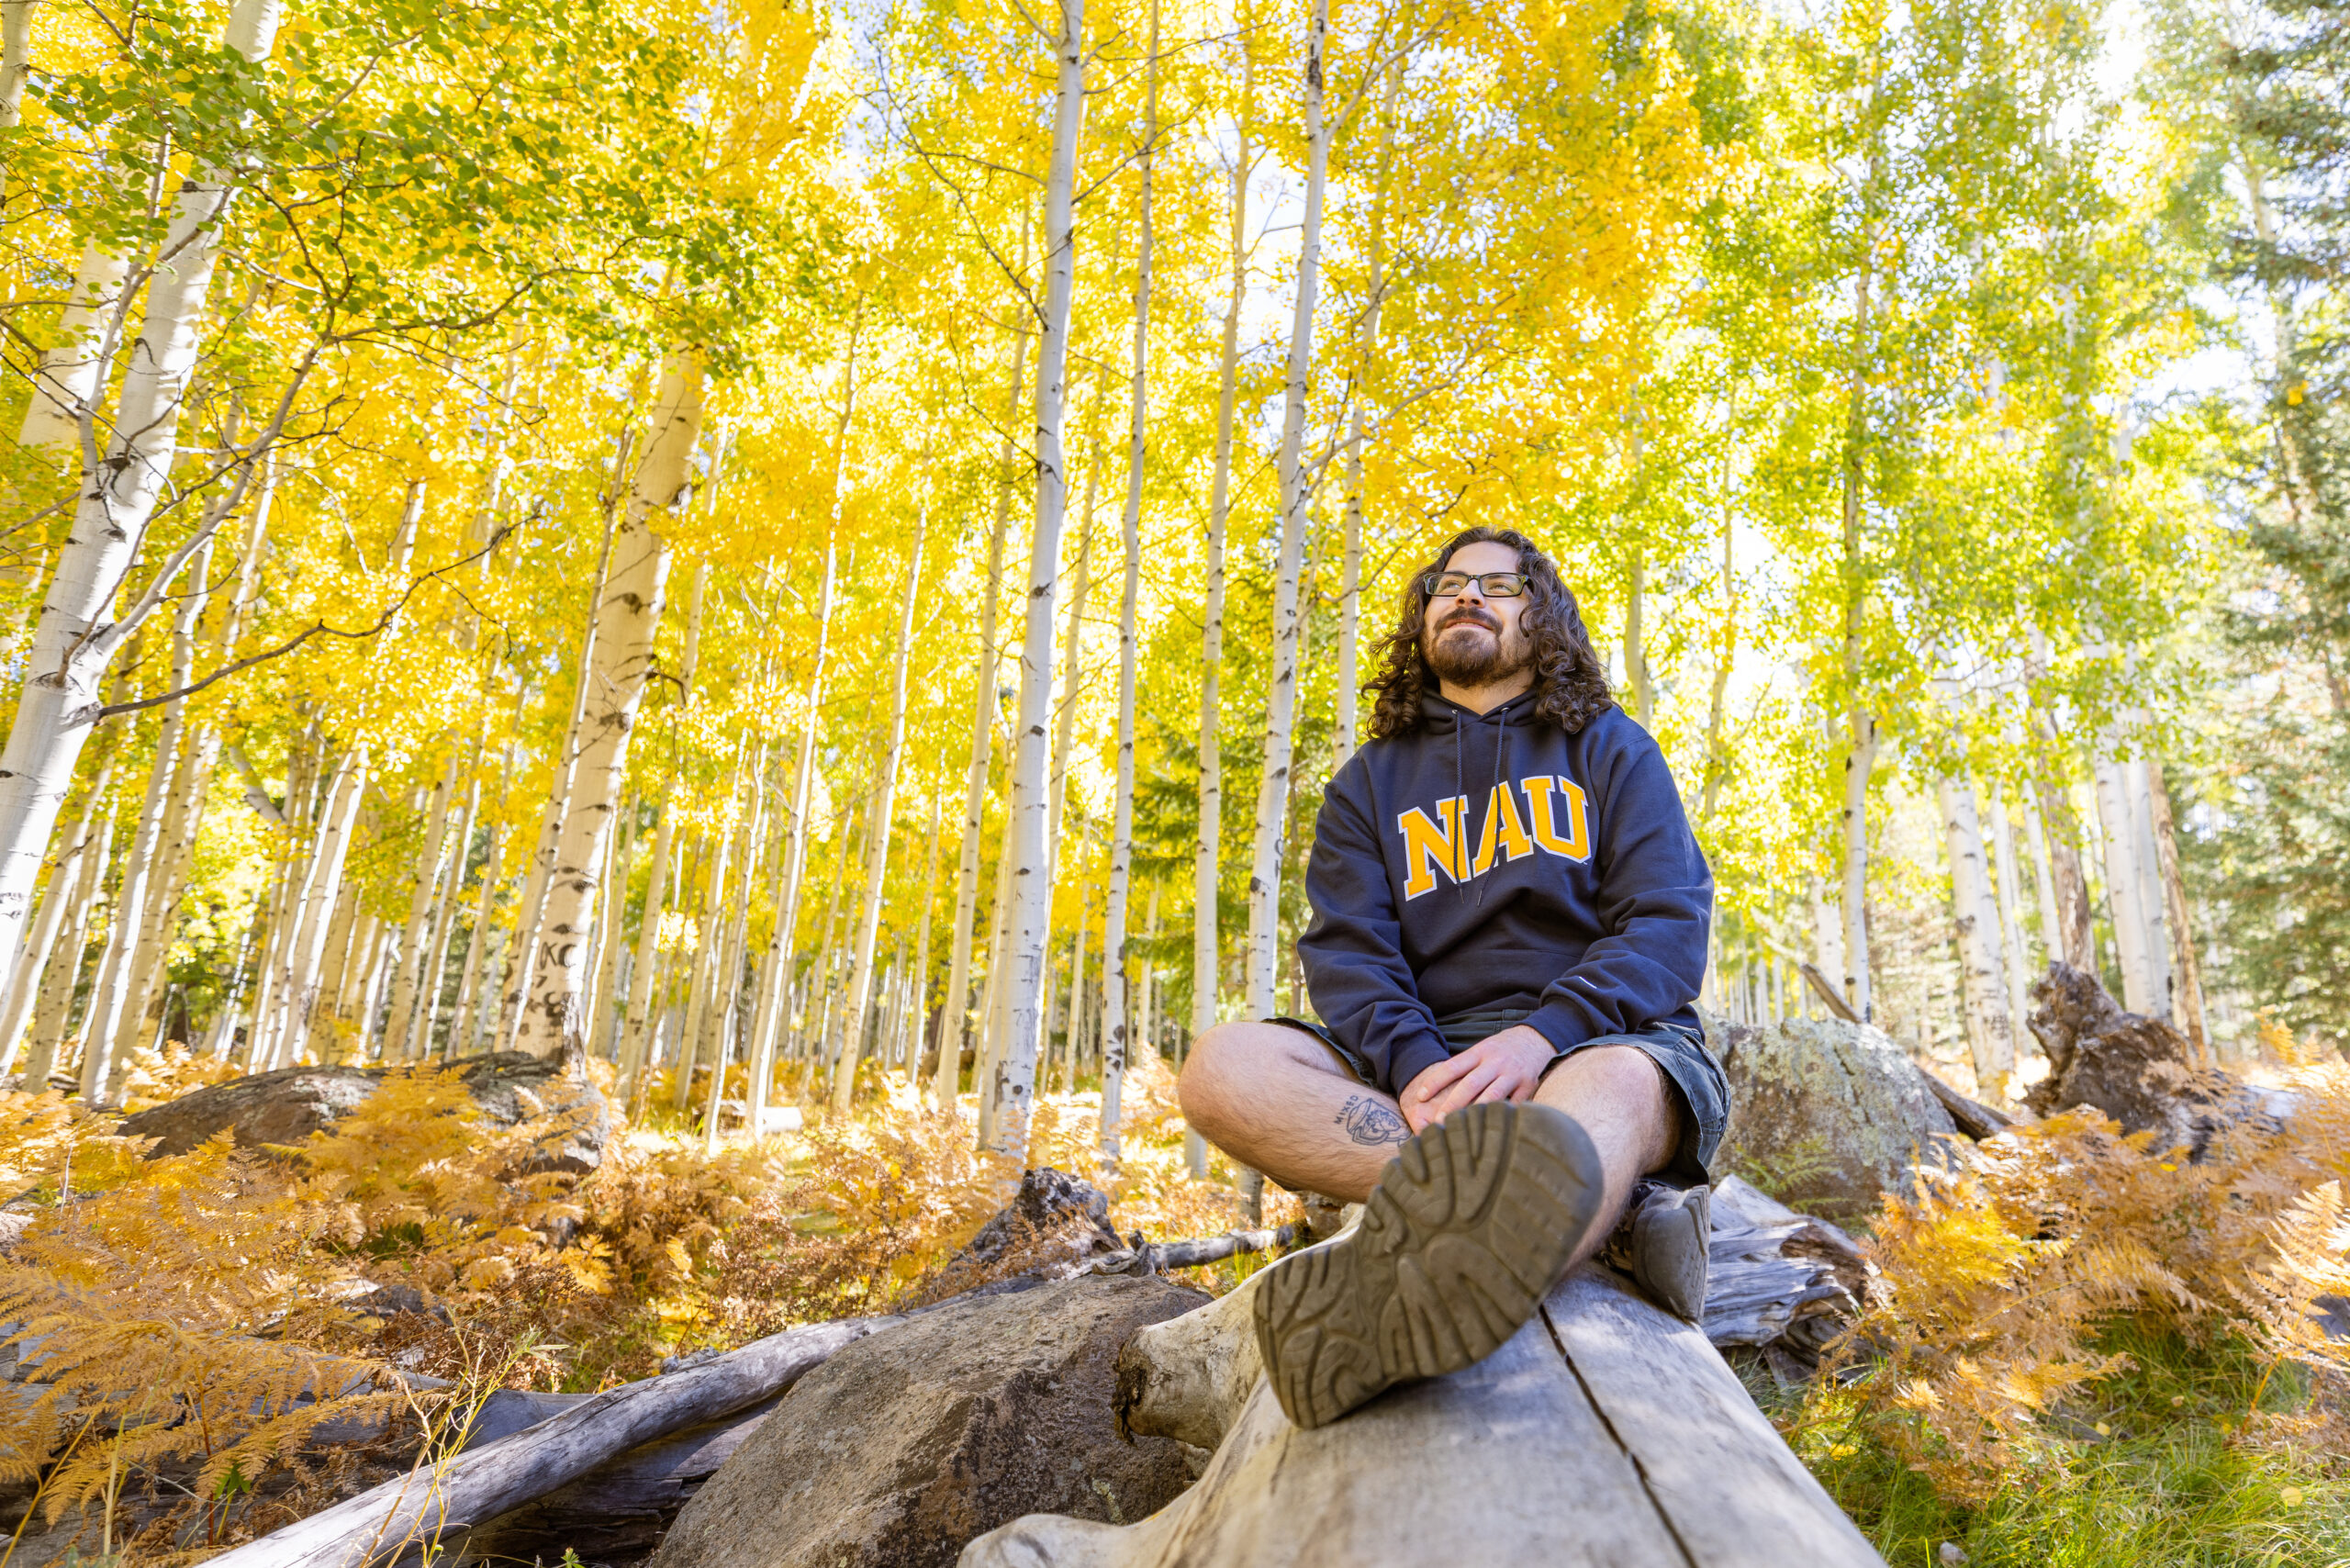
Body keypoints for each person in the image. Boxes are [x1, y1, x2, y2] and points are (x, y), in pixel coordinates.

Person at [1178, 525, 1726, 1430]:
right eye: (1448, 584)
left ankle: (1390, 1308)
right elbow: (1348, 956)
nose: (1467, 594)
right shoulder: (1367, 784)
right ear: (1422, 618)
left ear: (1542, 616)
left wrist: (1543, 1032)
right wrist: (1414, 1064)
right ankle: (1599, 1212)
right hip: (1425, 1073)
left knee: (1620, 1085)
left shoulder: (1609, 747)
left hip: (1594, 1044)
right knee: (1221, 1067)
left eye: (1499, 585)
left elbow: (1667, 924)